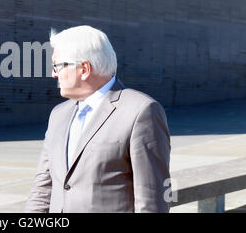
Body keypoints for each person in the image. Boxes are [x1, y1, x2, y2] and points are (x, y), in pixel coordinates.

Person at [25, 25, 171, 213]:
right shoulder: (58, 115)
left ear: (84, 69)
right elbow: (42, 188)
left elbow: (152, 200)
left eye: (57, 66)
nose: (53, 74)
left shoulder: (141, 112)